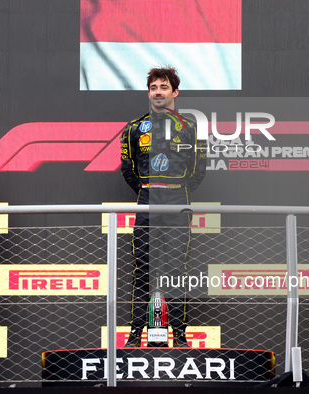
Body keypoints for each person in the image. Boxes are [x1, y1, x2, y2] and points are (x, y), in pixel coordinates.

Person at [120, 67, 206, 348]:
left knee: (175, 270)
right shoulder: (135, 127)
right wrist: (149, 192)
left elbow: (198, 170)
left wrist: (176, 191)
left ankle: (179, 334)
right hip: (146, 201)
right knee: (142, 269)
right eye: (154, 87)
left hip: (178, 201)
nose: (158, 92)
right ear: (149, 93)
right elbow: (128, 170)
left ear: (175, 92)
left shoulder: (190, 126)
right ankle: (135, 333)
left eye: (164, 87)